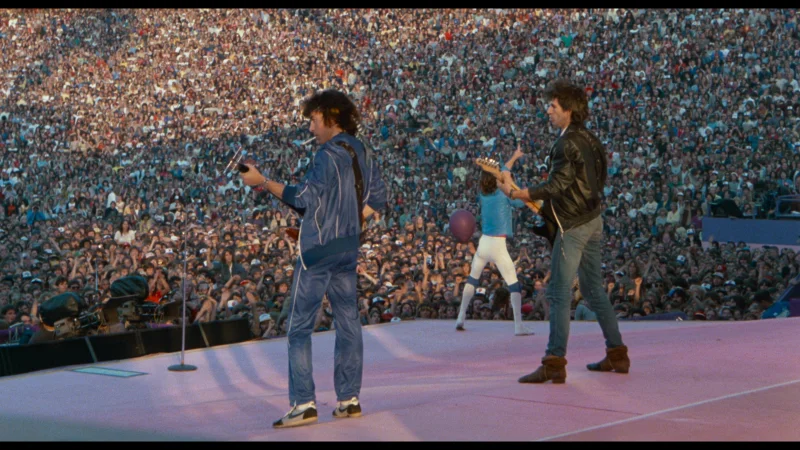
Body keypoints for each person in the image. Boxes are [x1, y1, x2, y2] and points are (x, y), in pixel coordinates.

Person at [238, 89, 387, 428]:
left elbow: (303, 198)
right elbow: (378, 197)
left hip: (318, 252)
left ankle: (303, 403)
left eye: (314, 120)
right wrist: (352, 222)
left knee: (299, 328)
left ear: (331, 117)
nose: (310, 128)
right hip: (348, 249)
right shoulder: (363, 150)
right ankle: (349, 400)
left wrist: (262, 181)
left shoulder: (326, 155)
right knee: (348, 323)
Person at [497, 79, 629, 384]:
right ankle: (617, 353)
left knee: (558, 292)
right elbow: (597, 178)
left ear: (568, 110)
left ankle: (554, 361)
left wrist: (517, 193)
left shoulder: (565, 143)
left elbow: (556, 186)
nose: (548, 110)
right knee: (593, 289)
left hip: (573, 225)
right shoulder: (591, 139)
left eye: (553, 106)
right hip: (592, 220)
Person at [456, 145, 534, 336]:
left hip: (484, 243)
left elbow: (503, 171)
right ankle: (518, 326)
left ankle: (460, 317)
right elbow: (519, 201)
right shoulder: (504, 195)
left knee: (473, 279)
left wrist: (514, 157)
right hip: (498, 244)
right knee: (514, 285)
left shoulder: (483, 194)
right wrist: (514, 185)